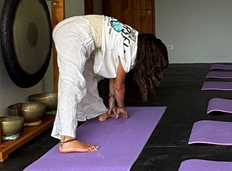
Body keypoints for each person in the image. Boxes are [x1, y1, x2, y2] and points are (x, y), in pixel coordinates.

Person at [51, 15, 169, 153]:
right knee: (71, 83)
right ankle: (68, 139)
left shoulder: (132, 38)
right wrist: (121, 106)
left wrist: (112, 105)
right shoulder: (130, 52)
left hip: (76, 29)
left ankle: (97, 113)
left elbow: (113, 75)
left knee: (87, 78)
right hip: (75, 32)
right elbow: (119, 85)